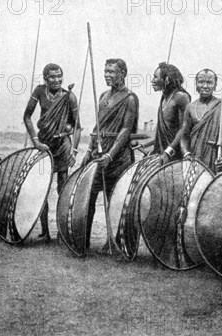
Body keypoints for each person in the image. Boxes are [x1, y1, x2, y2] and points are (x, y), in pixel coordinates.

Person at [80, 58, 138, 249]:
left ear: (123, 73)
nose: (107, 75)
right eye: (105, 71)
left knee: (115, 201)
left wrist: (110, 155)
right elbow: (98, 126)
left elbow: (126, 130)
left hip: (118, 157)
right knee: (89, 197)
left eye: (112, 72)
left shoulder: (129, 98)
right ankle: (84, 241)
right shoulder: (103, 95)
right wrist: (89, 149)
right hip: (99, 153)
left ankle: (115, 241)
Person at [23, 63, 81, 241]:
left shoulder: (69, 96)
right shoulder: (39, 91)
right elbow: (27, 116)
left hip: (62, 145)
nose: (56, 80)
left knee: (62, 188)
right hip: (44, 145)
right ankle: (45, 232)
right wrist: (35, 140)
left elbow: (77, 127)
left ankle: (62, 232)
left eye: (59, 76)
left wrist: (74, 150)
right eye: (52, 77)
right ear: (45, 78)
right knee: (41, 188)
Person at [180, 68, 222, 173]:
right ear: (196, 84)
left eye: (209, 82)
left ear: (215, 85)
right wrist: (186, 154)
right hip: (193, 159)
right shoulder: (190, 107)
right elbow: (184, 136)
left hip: (214, 159)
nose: (205, 86)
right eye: (201, 82)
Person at [150, 62, 191, 165]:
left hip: (176, 156)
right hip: (162, 155)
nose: (152, 81)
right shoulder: (164, 98)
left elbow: (184, 128)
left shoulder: (181, 97)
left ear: (167, 79)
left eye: (155, 77)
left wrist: (168, 152)